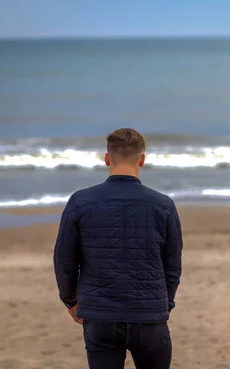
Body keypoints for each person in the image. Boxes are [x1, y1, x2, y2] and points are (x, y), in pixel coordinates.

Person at [53, 128, 183, 369]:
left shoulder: (80, 202)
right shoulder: (163, 205)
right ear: (142, 160)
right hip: (149, 315)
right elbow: (173, 264)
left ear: (106, 159)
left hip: (100, 316)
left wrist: (70, 300)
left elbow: (64, 260)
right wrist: (166, 303)